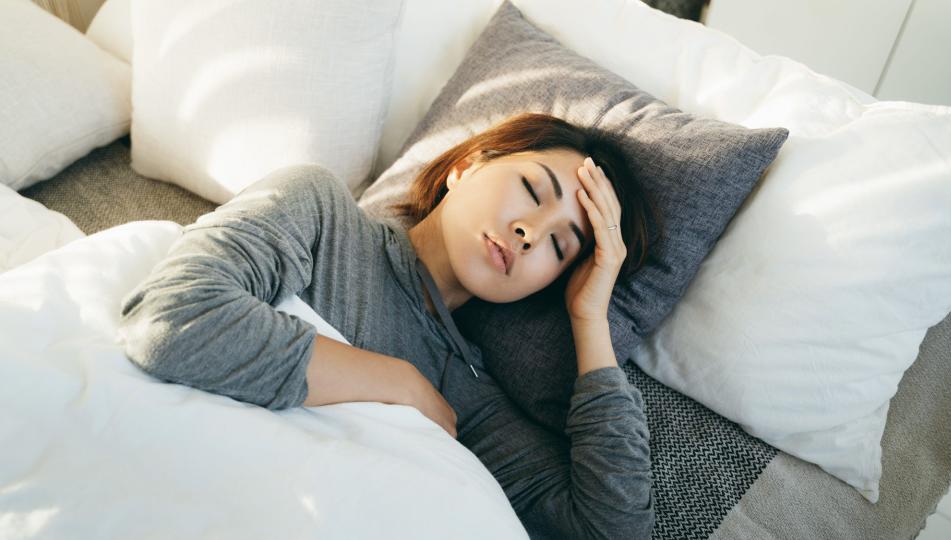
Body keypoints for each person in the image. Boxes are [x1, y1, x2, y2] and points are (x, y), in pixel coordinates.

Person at [117, 112, 656, 539]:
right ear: (466, 166)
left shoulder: (471, 400)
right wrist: (398, 384)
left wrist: (590, 316)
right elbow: (170, 319)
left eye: (561, 246)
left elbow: (608, 529)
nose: (529, 232)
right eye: (533, 191)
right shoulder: (323, 214)